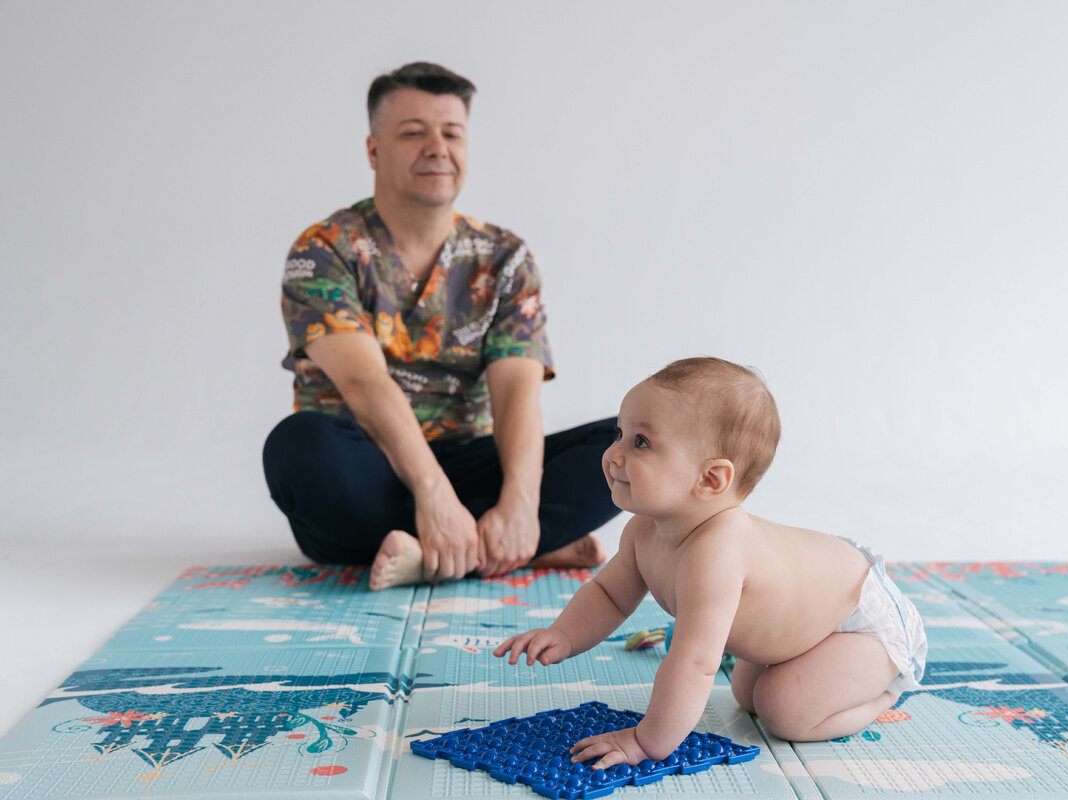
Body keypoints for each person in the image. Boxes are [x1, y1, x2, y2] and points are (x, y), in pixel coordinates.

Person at [263, 62, 620, 588]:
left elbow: (516, 395)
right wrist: (432, 494)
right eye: (413, 133)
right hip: (369, 464)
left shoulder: (504, 256)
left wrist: (520, 503)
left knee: (633, 442)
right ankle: (517, 546)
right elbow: (364, 384)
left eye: (451, 133)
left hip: (471, 459)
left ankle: (447, 549)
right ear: (373, 151)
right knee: (297, 449)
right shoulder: (324, 250)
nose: (437, 148)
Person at [493, 357, 927, 766]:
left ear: (711, 479)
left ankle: (883, 693)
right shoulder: (644, 530)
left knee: (783, 711)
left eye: (640, 442)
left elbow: (694, 664)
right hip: (812, 614)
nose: (614, 455)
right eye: (619, 434)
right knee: (746, 694)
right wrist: (564, 635)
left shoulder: (717, 552)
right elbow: (609, 595)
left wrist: (646, 741)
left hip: (858, 620)